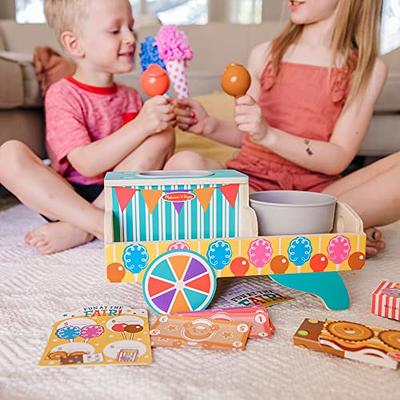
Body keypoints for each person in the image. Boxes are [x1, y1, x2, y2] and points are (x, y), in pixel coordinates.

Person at [173, 0, 396, 257]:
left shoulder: (367, 69)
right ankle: (327, 232)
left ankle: (290, 230)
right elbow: (251, 135)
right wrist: (209, 126)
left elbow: (338, 158)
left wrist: (268, 134)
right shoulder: (265, 54)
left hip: (318, 195)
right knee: (184, 162)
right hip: (252, 184)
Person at [0, 0, 177, 254]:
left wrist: (162, 120)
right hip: (66, 197)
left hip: (118, 196)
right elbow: (86, 164)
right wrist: (142, 125)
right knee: (8, 154)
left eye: (131, 28)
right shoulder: (62, 94)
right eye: (115, 31)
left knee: (163, 135)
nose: (130, 38)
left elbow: (147, 161)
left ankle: (80, 229)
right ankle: (96, 222)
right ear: (75, 44)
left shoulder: (130, 96)